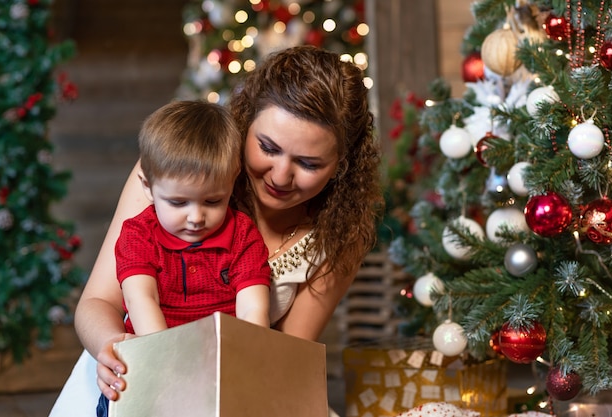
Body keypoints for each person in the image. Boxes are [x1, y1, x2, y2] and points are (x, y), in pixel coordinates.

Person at [50, 45, 383, 416]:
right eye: (268, 148)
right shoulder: (177, 170)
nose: (280, 176)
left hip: (241, 390)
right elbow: (97, 303)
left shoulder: (340, 235)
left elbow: (286, 355)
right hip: (126, 376)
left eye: (308, 163)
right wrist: (112, 346)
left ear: (340, 165)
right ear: (246, 124)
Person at [95, 100, 271, 416]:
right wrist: (168, 365)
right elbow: (141, 300)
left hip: (221, 362)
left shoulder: (242, 235)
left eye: (212, 201)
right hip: (152, 358)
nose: (195, 217)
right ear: (148, 187)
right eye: (178, 202)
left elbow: (253, 308)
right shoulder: (139, 234)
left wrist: (246, 358)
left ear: (233, 179)